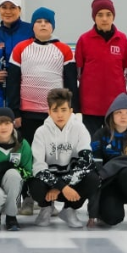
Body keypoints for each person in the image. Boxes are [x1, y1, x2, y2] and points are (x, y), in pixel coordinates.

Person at [6, 7, 79, 146]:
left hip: (55, 112)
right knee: (30, 150)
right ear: (33, 26)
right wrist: (15, 112)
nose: (43, 24)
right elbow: (13, 83)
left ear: (53, 26)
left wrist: (71, 110)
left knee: (54, 149)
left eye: (47, 21)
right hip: (27, 113)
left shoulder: (64, 50)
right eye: (39, 21)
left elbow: (70, 83)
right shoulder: (20, 48)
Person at [28, 88, 98, 229]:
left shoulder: (80, 129)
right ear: (49, 112)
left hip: (71, 183)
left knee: (92, 179)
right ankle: (46, 207)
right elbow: (38, 167)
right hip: (49, 185)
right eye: (55, 110)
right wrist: (61, 186)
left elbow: (86, 163)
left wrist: (62, 187)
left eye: (63, 109)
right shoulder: (41, 132)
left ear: (71, 111)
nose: (60, 114)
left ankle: (69, 209)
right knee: (33, 182)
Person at [75, 0, 127, 137]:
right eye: (100, 15)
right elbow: (78, 72)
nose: (104, 19)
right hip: (90, 105)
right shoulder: (84, 40)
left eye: (108, 14)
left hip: (115, 105)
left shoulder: (123, 39)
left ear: (113, 16)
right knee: (92, 143)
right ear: (94, 17)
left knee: (114, 143)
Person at [89, 93, 127, 229]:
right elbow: (95, 167)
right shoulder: (101, 134)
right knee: (111, 218)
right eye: (119, 112)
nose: (123, 116)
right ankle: (108, 205)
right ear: (111, 115)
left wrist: (110, 166)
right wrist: (93, 211)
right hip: (109, 184)